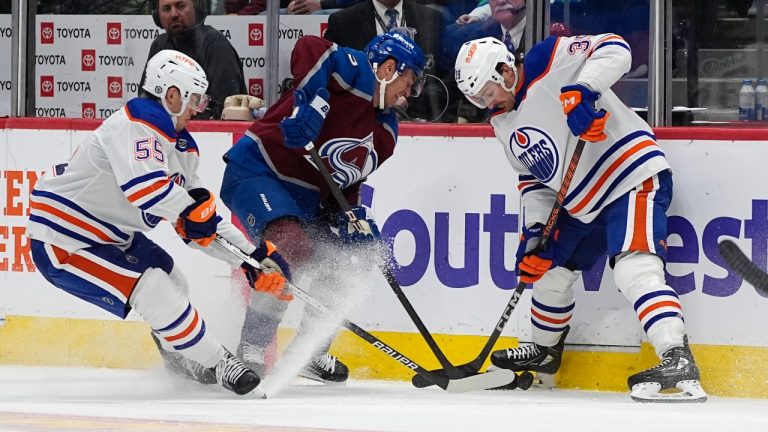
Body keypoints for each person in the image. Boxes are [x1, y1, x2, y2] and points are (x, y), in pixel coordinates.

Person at [453, 36, 707, 402]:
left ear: (506, 70)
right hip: (582, 203)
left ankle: (677, 356)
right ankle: (544, 350)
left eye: (487, 92)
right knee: (547, 267)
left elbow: (616, 48)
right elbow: (533, 181)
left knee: (633, 267)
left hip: (629, 177)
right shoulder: (503, 122)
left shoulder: (546, 59)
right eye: (477, 100)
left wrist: (582, 90)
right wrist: (537, 232)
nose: (486, 104)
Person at [25, 49, 291, 397]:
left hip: (109, 234)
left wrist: (253, 258)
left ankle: (178, 355)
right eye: (194, 98)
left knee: (172, 281)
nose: (198, 108)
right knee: (153, 289)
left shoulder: (178, 146)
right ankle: (218, 362)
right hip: (64, 238)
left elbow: (201, 225)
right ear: (171, 95)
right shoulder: (138, 122)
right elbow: (147, 191)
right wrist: (190, 212)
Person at [219, 30, 426, 383]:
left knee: (349, 257)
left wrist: (352, 217)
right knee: (291, 247)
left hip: (307, 199)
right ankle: (251, 345)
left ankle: (312, 353)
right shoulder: (356, 71)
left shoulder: (386, 129)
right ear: (389, 67)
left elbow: (347, 182)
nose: (409, 94)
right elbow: (309, 47)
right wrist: (310, 101)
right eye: (409, 81)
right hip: (258, 171)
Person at [140, 0, 246, 119]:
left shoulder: (216, 46)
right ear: (157, 16)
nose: (174, 14)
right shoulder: (159, 45)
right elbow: (146, 98)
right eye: (166, 9)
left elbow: (221, 109)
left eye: (181, 6)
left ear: (197, 8)